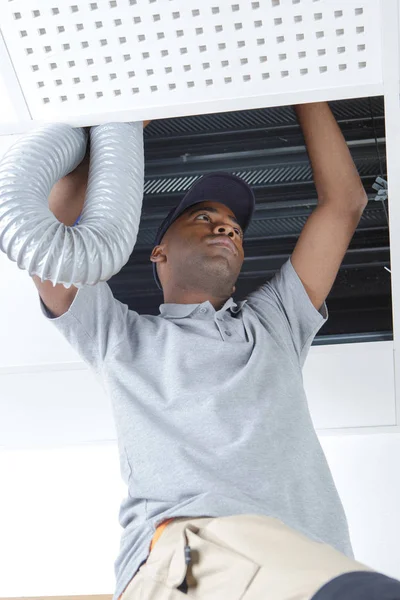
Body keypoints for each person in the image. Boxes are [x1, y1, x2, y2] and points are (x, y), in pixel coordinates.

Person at [32, 104, 400, 600]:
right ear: (158, 252)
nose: (227, 228)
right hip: (191, 558)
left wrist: (302, 89)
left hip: (306, 562)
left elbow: (344, 204)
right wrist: (115, 128)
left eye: (234, 227)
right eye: (205, 217)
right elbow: (49, 235)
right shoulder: (118, 336)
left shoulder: (275, 324)